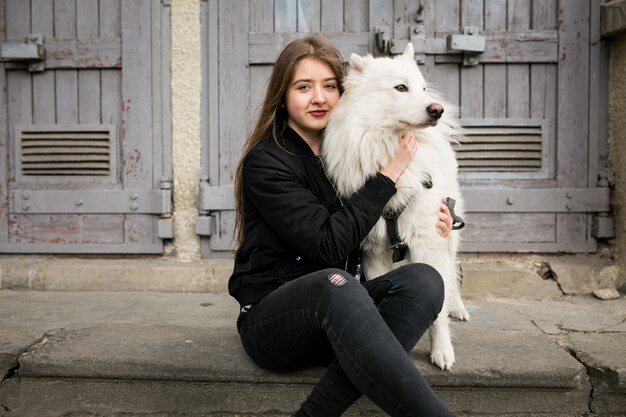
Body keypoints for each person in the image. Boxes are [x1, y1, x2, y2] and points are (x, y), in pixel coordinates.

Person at [229, 35, 457, 417]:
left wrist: (440, 212)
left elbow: (389, 216)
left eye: (329, 86)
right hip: (277, 322)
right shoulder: (267, 163)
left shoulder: (344, 153)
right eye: (304, 87)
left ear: (345, 92)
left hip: (343, 317)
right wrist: (386, 176)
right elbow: (328, 245)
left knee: (425, 280)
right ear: (282, 96)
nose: (319, 98)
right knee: (335, 283)